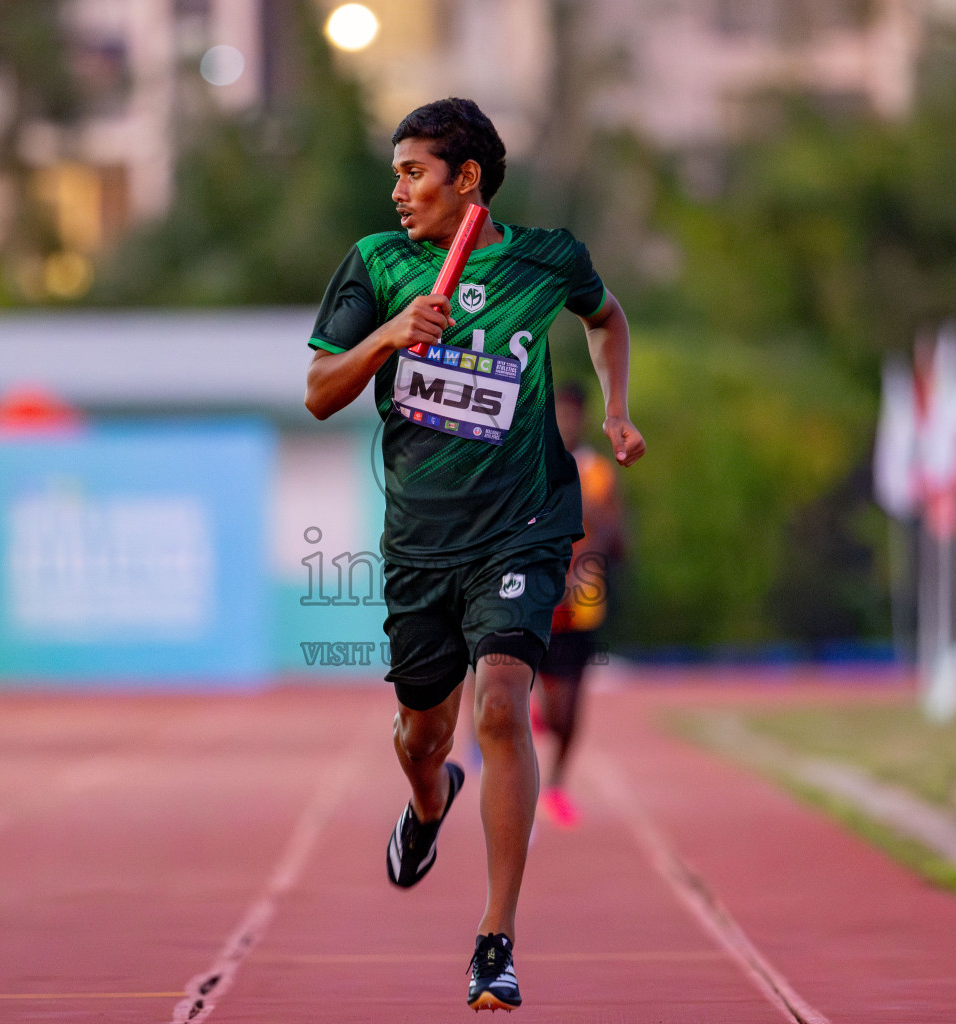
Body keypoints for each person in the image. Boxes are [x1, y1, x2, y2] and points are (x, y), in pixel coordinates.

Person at [304, 97, 645, 1012]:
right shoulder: (377, 264)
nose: (398, 189)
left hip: (525, 524)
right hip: (421, 540)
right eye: (396, 171)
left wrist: (613, 408)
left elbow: (606, 320)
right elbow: (318, 393)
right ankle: (429, 801)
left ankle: (494, 939)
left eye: (413, 172)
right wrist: (387, 335)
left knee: (502, 707)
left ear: (467, 180)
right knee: (425, 737)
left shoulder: (549, 259)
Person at [534, 382, 624, 829]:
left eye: (574, 415)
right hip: (538, 598)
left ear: (583, 418)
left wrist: (597, 520)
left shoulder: (598, 472)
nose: (567, 422)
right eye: (560, 414)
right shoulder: (532, 463)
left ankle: (555, 783)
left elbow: (617, 536)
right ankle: (533, 704)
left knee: (570, 710)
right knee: (550, 705)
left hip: (584, 602)